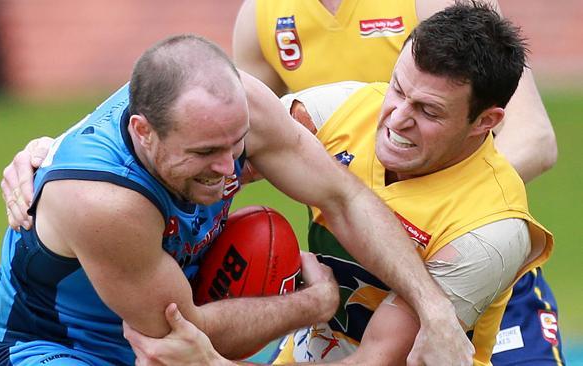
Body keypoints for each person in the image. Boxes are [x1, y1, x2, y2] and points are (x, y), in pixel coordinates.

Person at [0, 35, 473, 365]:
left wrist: (435, 311)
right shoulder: (106, 201)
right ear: (143, 132)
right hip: (50, 348)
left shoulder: (242, 108)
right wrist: (315, 303)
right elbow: (182, 336)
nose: (228, 167)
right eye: (205, 153)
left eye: (236, 145)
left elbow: (343, 198)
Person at [120, 3, 554, 365]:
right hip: (314, 349)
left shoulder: (490, 233)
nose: (397, 119)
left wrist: (213, 362)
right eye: (398, 89)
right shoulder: (346, 106)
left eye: (429, 111)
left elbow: (376, 357)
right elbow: (204, 120)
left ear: (487, 122)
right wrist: (67, 150)